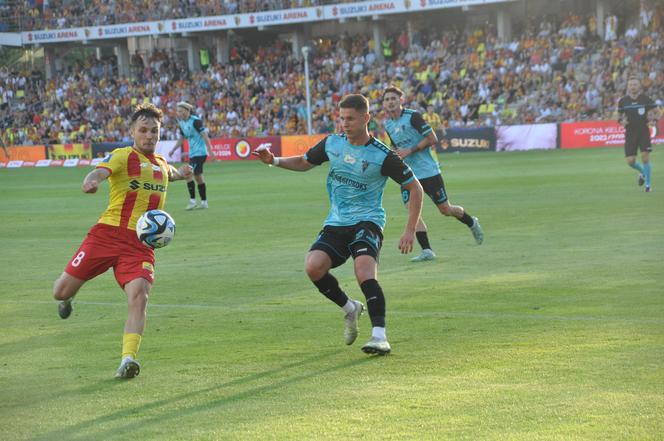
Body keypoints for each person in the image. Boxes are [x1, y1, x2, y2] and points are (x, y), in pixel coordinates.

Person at [253, 94, 423, 355]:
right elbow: (304, 162)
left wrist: (410, 229)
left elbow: (415, 187)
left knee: (364, 272)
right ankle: (350, 308)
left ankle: (380, 336)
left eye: (351, 119)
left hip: (368, 221)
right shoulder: (332, 143)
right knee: (313, 267)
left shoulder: (382, 155)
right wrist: (274, 161)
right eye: (342, 118)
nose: (345, 123)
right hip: (337, 222)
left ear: (366, 118)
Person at [52, 104, 193, 379]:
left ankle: (128, 359)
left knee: (139, 295)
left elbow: (170, 175)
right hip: (106, 235)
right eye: (143, 130)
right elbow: (98, 173)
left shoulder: (162, 165)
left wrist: (183, 173)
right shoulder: (122, 156)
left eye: (155, 131)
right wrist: (90, 182)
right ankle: (69, 297)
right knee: (60, 291)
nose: (149, 135)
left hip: (140, 245)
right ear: (132, 131)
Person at [382, 86, 484, 263]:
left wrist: (410, 150)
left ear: (401, 100)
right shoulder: (388, 125)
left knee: (445, 209)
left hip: (428, 171)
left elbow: (432, 138)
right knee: (412, 211)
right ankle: (427, 250)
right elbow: (396, 147)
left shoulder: (412, 116)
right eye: (387, 99)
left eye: (393, 98)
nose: (390, 101)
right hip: (407, 174)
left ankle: (471, 222)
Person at [169, 101, 214, 209]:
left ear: (186, 111)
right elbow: (181, 138)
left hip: (200, 152)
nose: (178, 113)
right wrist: (173, 150)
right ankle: (204, 202)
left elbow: (205, 136)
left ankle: (193, 201)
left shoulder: (196, 121)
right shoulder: (181, 123)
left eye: (180, 111)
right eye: (177, 111)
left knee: (187, 174)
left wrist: (210, 150)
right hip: (193, 153)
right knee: (198, 177)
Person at [617, 77, 660, 192]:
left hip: (643, 131)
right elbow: (619, 117)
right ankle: (642, 172)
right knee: (630, 161)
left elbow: (657, 112)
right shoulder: (623, 101)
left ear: (639, 86)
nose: (633, 86)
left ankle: (648, 185)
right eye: (631, 85)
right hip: (630, 132)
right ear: (628, 87)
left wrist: (654, 121)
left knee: (645, 157)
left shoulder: (646, 99)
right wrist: (622, 122)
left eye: (635, 84)